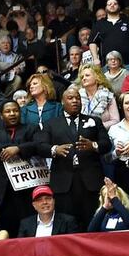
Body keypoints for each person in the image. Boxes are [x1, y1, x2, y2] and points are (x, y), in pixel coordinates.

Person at [36, 86, 111, 230]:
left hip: (90, 181)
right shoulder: (51, 123)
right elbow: (40, 146)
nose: (75, 101)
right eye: (70, 98)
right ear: (62, 102)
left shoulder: (94, 121)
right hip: (63, 182)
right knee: (66, 224)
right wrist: (55, 149)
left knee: (93, 222)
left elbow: (106, 144)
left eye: (77, 98)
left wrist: (93, 145)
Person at [0, 100, 41, 235]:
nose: (12, 114)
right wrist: (8, 149)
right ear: (1, 116)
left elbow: (39, 145)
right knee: (4, 232)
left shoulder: (31, 128)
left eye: (15, 110)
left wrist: (18, 148)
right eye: (8, 111)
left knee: (28, 231)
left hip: (26, 191)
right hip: (2, 192)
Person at [76, 64, 119, 128]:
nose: (84, 78)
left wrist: (97, 126)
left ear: (97, 77)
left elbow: (115, 121)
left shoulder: (108, 96)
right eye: (82, 77)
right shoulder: (77, 97)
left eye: (87, 75)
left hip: (103, 133)